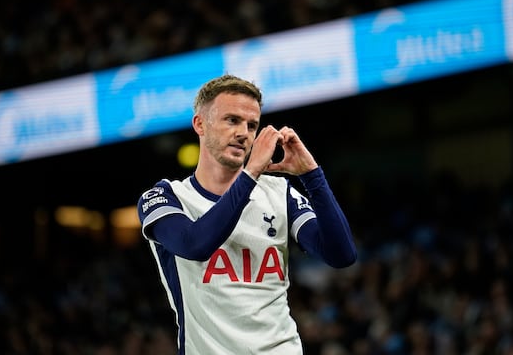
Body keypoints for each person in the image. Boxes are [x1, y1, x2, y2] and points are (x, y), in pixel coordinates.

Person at [137, 74, 357, 354]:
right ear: (200, 124)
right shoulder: (165, 198)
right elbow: (195, 244)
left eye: (252, 125)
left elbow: (341, 255)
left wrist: (312, 175)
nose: (244, 133)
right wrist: (251, 173)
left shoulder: (280, 193)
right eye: (232, 120)